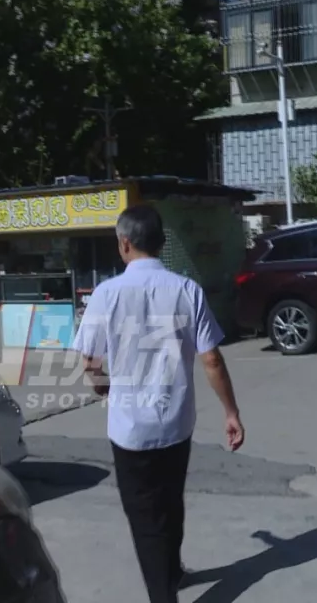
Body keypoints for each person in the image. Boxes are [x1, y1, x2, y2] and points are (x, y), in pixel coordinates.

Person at [72, 204, 246, 603]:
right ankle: (172, 571)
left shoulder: (106, 294)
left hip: (129, 429)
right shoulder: (186, 290)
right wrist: (231, 412)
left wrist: (101, 386)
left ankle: (163, 593)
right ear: (162, 243)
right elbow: (212, 359)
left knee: (144, 517)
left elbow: (90, 362)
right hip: (176, 422)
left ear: (124, 243)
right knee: (170, 500)